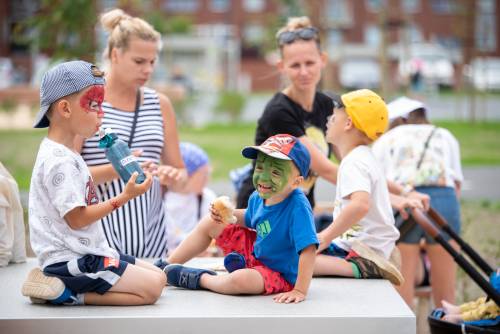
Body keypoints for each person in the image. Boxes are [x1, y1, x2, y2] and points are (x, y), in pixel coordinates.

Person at [235, 16, 429, 219]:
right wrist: (389, 198)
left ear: (323, 60)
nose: (304, 72)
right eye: (295, 65)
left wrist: (404, 192)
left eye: (310, 63)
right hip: (262, 211)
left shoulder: (328, 104)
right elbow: (326, 169)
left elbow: (351, 162)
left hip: (298, 210)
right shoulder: (279, 112)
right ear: (281, 67)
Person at [21, 60, 165, 306]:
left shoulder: (66, 153)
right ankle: (66, 294)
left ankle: (63, 288)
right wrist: (124, 197)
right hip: (70, 260)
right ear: (65, 109)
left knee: (159, 276)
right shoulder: (59, 161)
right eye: (94, 104)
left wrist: (121, 171)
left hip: (87, 251)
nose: (102, 113)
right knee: (151, 289)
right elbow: (77, 219)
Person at [76, 8, 187, 258]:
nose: (148, 70)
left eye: (152, 62)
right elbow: (66, 174)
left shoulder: (160, 104)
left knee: (154, 292)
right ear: (115, 54)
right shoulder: (88, 101)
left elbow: (181, 174)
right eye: (139, 61)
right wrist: (119, 169)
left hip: (151, 232)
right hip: (99, 230)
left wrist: (172, 175)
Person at [163, 134, 318, 303]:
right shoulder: (259, 196)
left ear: (296, 182)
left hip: (280, 274)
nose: (264, 177)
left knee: (241, 280)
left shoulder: (298, 207)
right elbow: (250, 218)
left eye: (275, 172)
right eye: (260, 168)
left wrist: (299, 290)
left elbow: (308, 250)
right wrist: (227, 214)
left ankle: (201, 279)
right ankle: (166, 266)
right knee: (212, 221)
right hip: (257, 255)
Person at [372, 96, 464, 308]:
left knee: (402, 288)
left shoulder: (388, 139)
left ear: (400, 119)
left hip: (406, 207)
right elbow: (456, 184)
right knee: (446, 293)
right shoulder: (445, 135)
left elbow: (379, 181)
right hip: (442, 203)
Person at [313, 89, 403, 286]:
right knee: (295, 254)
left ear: (348, 123)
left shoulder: (355, 162)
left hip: (364, 251)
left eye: (334, 116)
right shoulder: (362, 157)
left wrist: (326, 237)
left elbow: (360, 204)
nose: (328, 120)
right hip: (362, 246)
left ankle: (366, 268)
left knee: (295, 262)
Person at [164, 142, 216, 250]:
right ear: (187, 175)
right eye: (203, 175)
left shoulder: (205, 198)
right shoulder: (161, 198)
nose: (207, 179)